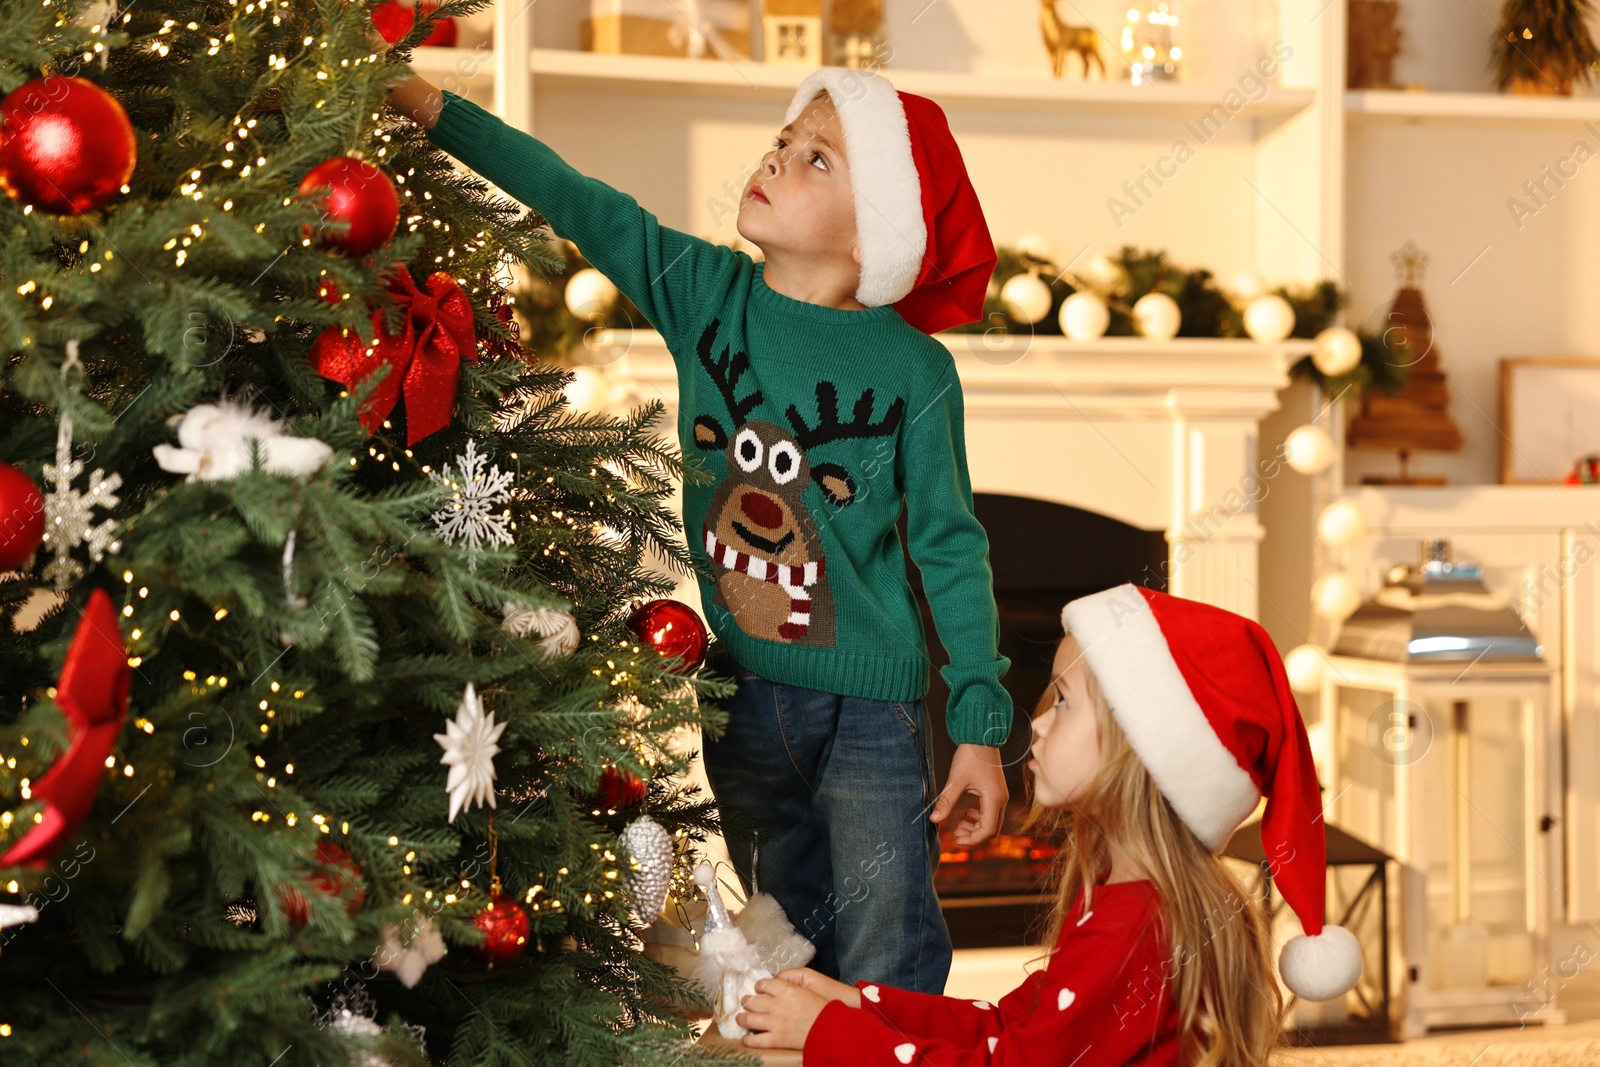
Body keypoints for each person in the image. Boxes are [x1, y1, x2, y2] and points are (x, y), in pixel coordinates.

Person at [383, 55, 1015, 993]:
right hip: (741, 694)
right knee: (777, 938)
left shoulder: (916, 373)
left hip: (870, 712)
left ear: (873, 229)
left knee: (888, 942)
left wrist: (978, 724)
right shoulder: (704, 292)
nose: (777, 159)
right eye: (783, 142)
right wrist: (435, 111)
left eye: (818, 161)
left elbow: (951, 549)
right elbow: (575, 198)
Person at [735, 583, 1364, 1065]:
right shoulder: (1126, 900)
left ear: (1140, 753)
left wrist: (830, 1035)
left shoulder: (1134, 927)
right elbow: (1012, 1027)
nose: (1036, 721)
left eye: (1064, 701)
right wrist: (860, 1004)